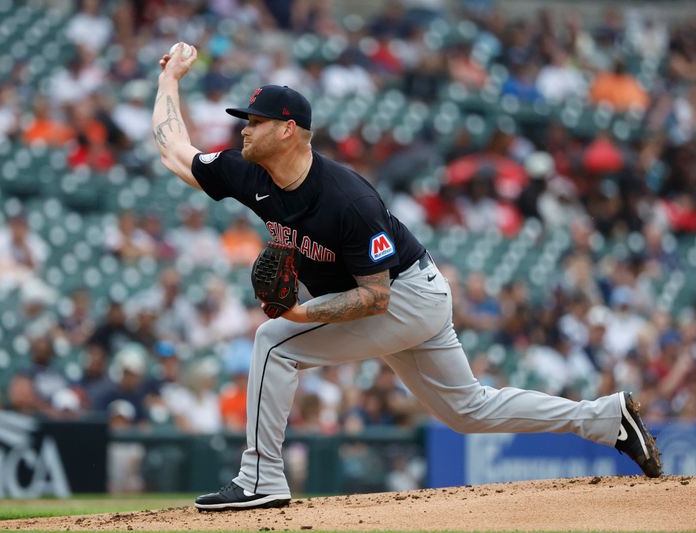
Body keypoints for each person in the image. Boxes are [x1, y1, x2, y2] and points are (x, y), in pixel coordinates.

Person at [152, 44, 662, 512]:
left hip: (405, 296)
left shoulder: (348, 199)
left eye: (255, 121)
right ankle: (604, 418)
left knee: (274, 341)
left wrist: (298, 313)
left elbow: (375, 298)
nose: (243, 128)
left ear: (287, 130)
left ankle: (261, 478)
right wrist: (170, 79)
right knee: (469, 410)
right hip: (403, 299)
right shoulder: (248, 173)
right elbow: (174, 150)